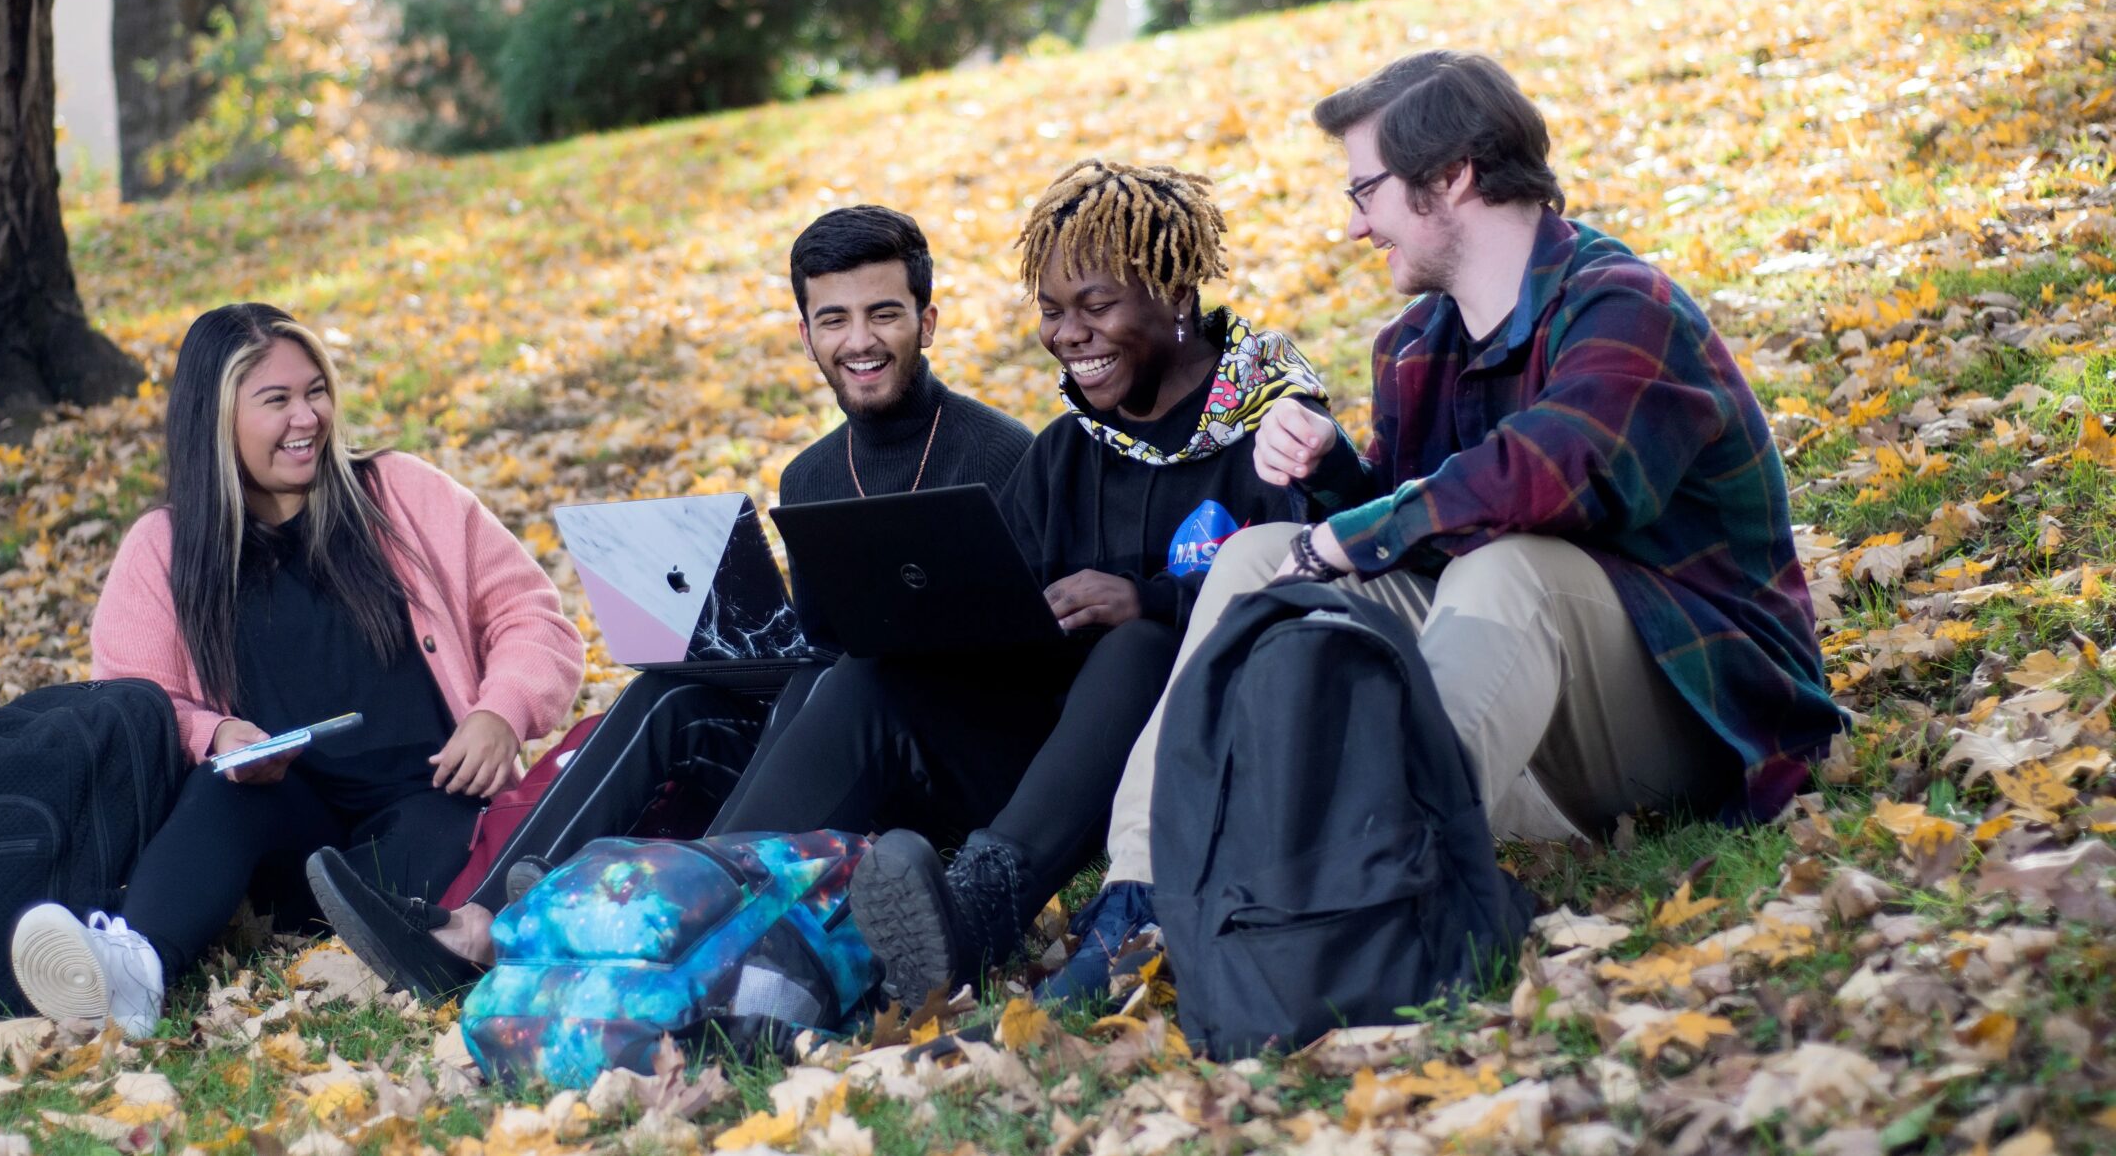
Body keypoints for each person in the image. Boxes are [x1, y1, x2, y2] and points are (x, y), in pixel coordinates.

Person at [1047, 51, 1842, 1001]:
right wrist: (1335, 476)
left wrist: (1345, 536)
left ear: (1452, 177)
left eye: (1366, 191)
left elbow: (1547, 477)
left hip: (1698, 720)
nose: (1353, 225)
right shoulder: (1415, 347)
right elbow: (1414, 527)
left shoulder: (1626, 307)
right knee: (1263, 554)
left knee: (1513, 565)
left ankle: (1380, 888)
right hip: (1513, 730)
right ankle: (1139, 895)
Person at [714, 160, 1340, 1006]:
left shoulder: (1278, 426)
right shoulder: (1064, 453)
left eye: (1097, 304)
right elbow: (1005, 638)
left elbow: (1329, 589)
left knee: (1138, 645)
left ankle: (979, 912)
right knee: (868, 678)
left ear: (1178, 296)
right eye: (1052, 311)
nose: (1069, 333)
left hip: (1209, 754)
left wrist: (1149, 600)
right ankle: (705, 899)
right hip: (1055, 763)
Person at [444, 207, 1036, 926]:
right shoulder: (809, 475)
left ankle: (674, 910)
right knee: (670, 695)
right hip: (830, 748)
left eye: (883, 314)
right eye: (833, 320)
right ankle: (482, 921)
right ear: (806, 335)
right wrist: (731, 651)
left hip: (955, 775)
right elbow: (817, 645)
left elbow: (1031, 672)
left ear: (927, 321)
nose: (859, 342)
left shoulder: (1004, 456)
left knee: (844, 680)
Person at [5, 303, 585, 1034]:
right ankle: (132, 971)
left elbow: (531, 614)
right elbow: (133, 704)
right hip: (283, 839)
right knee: (225, 794)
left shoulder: (401, 493)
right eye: (275, 400)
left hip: (433, 810)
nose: (306, 417)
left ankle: (426, 934)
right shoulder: (164, 549)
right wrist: (214, 735)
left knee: (451, 842)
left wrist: (500, 710)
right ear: (216, 419)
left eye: (315, 391)